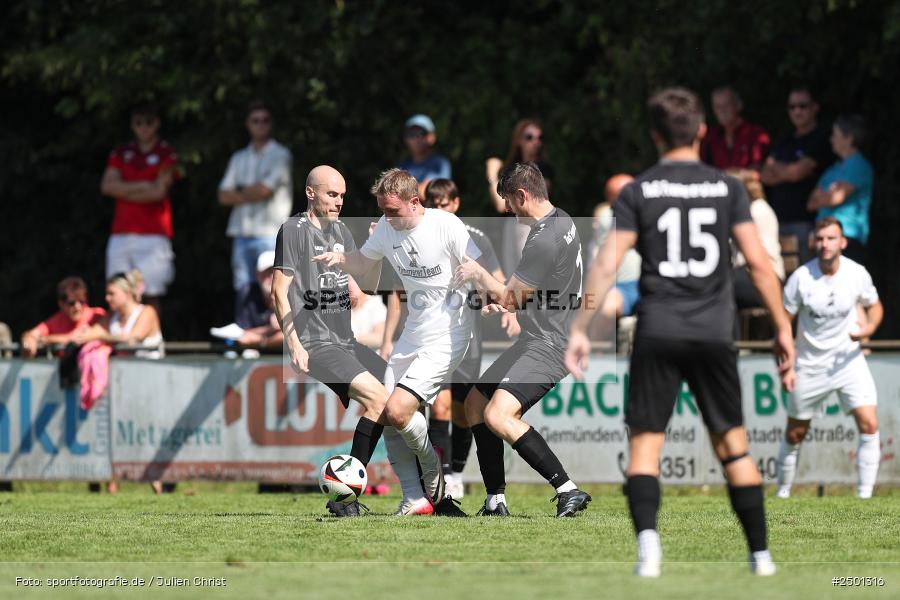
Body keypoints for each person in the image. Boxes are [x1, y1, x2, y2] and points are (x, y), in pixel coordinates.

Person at [566, 88, 795, 577]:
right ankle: (761, 556)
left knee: (646, 445)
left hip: (659, 329)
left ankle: (649, 551)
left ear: (654, 135)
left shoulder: (639, 191)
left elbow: (607, 263)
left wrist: (581, 326)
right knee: (733, 444)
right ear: (703, 131)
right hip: (714, 331)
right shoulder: (727, 188)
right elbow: (757, 263)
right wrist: (782, 327)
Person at [312, 168, 482, 517]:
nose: (387, 218)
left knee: (398, 410)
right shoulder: (387, 226)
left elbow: (475, 264)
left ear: (415, 202)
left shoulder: (446, 225)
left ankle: (433, 470)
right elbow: (364, 262)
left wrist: (487, 291)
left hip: (448, 334)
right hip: (413, 334)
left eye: (392, 210)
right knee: (388, 415)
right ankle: (415, 498)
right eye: (383, 210)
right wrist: (343, 259)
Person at [453, 162, 591, 518]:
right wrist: (508, 301)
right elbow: (530, 293)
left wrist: (478, 274)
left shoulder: (543, 238)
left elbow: (513, 296)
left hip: (550, 345)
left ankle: (568, 490)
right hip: (539, 336)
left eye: (509, 203)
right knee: (474, 404)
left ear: (522, 195)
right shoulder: (561, 220)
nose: (507, 211)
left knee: (498, 415)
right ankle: (495, 500)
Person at [272, 165, 390, 518]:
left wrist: (376, 251)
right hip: (317, 343)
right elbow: (279, 292)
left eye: (341, 195)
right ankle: (346, 493)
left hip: (345, 341)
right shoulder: (293, 230)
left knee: (399, 396)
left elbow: (367, 286)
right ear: (311, 193)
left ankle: (409, 493)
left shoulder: (341, 231)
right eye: (331, 194)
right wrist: (293, 345)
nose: (339, 201)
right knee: (380, 399)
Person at [776, 217, 883, 499]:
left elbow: (875, 307)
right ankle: (782, 494)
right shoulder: (800, 277)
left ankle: (865, 498)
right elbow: (782, 323)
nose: (825, 244)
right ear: (814, 242)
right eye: (820, 239)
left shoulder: (857, 273)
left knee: (869, 424)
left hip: (848, 361)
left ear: (842, 242)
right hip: (810, 366)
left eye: (831, 238)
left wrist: (868, 329)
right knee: (794, 434)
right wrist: (787, 365)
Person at [421, 178, 508, 499]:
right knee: (439, 406)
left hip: (468, 335)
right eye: (433, 204)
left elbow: (498, 281)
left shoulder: (476, 238)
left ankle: (455, 473)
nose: (438, 209)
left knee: (461, 409)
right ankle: (439, 478)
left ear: (455, 204)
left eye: (444, 204)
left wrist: (505, 309)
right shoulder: (418, 238)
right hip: (432, 336)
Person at [74, 270, 165, 494]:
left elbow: (132, 339)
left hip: (151, 385)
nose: (107, 299)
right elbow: (87, 334)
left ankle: (156, 482)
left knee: (145, 433)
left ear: (127, 293)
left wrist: (99, 336)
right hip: (124, 388)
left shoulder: (147, 313)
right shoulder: (111, 318)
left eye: (111, 293)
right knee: (115, 432)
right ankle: (113, 484)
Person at [219, 100, 293, 322]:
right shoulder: (239, 157)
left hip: (270, 232)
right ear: (248, 124)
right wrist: (250, 192)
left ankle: (276, 337)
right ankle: (246, 335)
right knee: (243, 287)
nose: (260, 125)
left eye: (264, 120)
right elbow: (223, 195)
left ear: (271, 124)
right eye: (255, 120)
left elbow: (265, 190)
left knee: (275, 287)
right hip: (242, 232)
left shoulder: (281, 155)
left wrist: (238, 193)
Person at [100, 103, 179, 310]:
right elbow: (107, 186)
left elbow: (158, 192)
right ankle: (119, 340)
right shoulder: (122, 152)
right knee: (117, 293)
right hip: (122, 232)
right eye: (138, 123)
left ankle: (151, 340)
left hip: (153, 234)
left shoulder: (166, 153)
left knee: (151, 294)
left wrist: (124, 189)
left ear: (157, 123)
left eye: (149, 122)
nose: (144, 127)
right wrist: (145, 185)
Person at [760, 86, 835, 263]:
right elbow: (764, 175)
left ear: (814, 108)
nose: (797, 111)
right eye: (792, 107)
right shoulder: (785, 139)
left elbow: (797, 173)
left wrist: (780, 169)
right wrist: (789, 170)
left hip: (808, 224)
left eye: (802, 106)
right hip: (779, 222)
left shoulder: (822, 138)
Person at [486, 119, 555, 276]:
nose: (536, 142)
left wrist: (491, 175)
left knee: (529, 279)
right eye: (529, 137)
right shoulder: (511, 169)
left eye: (540, 137)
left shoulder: (543, 169)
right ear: (519, 140)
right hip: (512, 225)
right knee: (513, 278)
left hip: (532, 224)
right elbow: (502, 204)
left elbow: (503, 204)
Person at [806, 115, 873, 264]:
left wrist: (825, 197)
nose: (831, 139)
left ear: (849, 138)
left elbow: (834, 198)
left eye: (835, 135)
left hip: (847, 238)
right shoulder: (832, 169)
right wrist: (828, 195)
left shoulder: (858, 164)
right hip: (823, 236)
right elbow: (811, 203)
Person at [588, 174, 641, 343]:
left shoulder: (649, 214)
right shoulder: (606, 221)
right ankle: (594, 357)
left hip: (647, 283)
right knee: (607, 309)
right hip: (619, 286)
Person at [21, 277, 106, 357]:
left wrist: (46, 339)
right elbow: (31, 334)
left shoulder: (97, 314)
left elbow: (75, 339)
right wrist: (28, 340)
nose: (78, 307)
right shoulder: (57, 319)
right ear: (61, 304)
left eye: (82, 302)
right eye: (71, 303)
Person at [733, 179, 784, 310]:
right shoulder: (750, 209)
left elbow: (756, 260)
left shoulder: (756, 210)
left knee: (720, 286)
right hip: (748, 275)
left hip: (766, 281)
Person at [700, 86, 770, 179]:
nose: (722, 111)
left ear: (738, 105)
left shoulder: (755, 134)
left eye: (726, 105)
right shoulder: (711, 137)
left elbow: (758, 171)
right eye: (717, 107)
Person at [235, 250, 283, 350]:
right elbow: (243, 335)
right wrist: (271, 329)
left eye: (275, 272)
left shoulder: (295, 294)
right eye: (267, 272)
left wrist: (261, 340)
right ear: (257, 275)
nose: (271, 277)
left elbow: (290, 335)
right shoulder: (247, 293)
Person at [399, 114, 451, 198]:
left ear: (432, 137)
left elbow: (426, 192)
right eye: (411, 134)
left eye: (421, 133)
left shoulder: (440, 163)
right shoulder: (403, 166)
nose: (416, 138)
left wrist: (402, 192)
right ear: (405, 138)